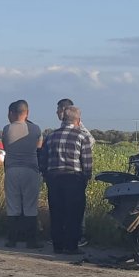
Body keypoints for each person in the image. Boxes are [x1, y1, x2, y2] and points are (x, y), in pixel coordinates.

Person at [40, 105, 93, 255]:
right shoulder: (82, 137)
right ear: (78, 120)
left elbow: (43, 159)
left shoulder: (51, 136)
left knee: (57, 212)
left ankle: (58, 245)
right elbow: (87, 162)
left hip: (54, 177)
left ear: (63, 119)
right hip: (73, 178)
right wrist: (86, 177)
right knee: (74, 213)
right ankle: (71, 246)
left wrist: (45, 175)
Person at [2, 100, 43, 248]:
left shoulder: (7, 129)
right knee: (30, 206)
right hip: (31, 170)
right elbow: (38, 147)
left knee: (13, 205)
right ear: (27, 113)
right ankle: (31, 241)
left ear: (12, 113)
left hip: (12, 169)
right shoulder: (36, 129)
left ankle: (12, 239)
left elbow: (6, 147)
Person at [55, 98, 94, 247]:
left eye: (59, 109)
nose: (57, 112)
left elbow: (90, 141)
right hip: (72, 172)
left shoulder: (78, 125)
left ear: (65, 110)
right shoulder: (66, 126)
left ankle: (79, 235)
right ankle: (68, 236)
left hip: (74, 172)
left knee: (75, 208)